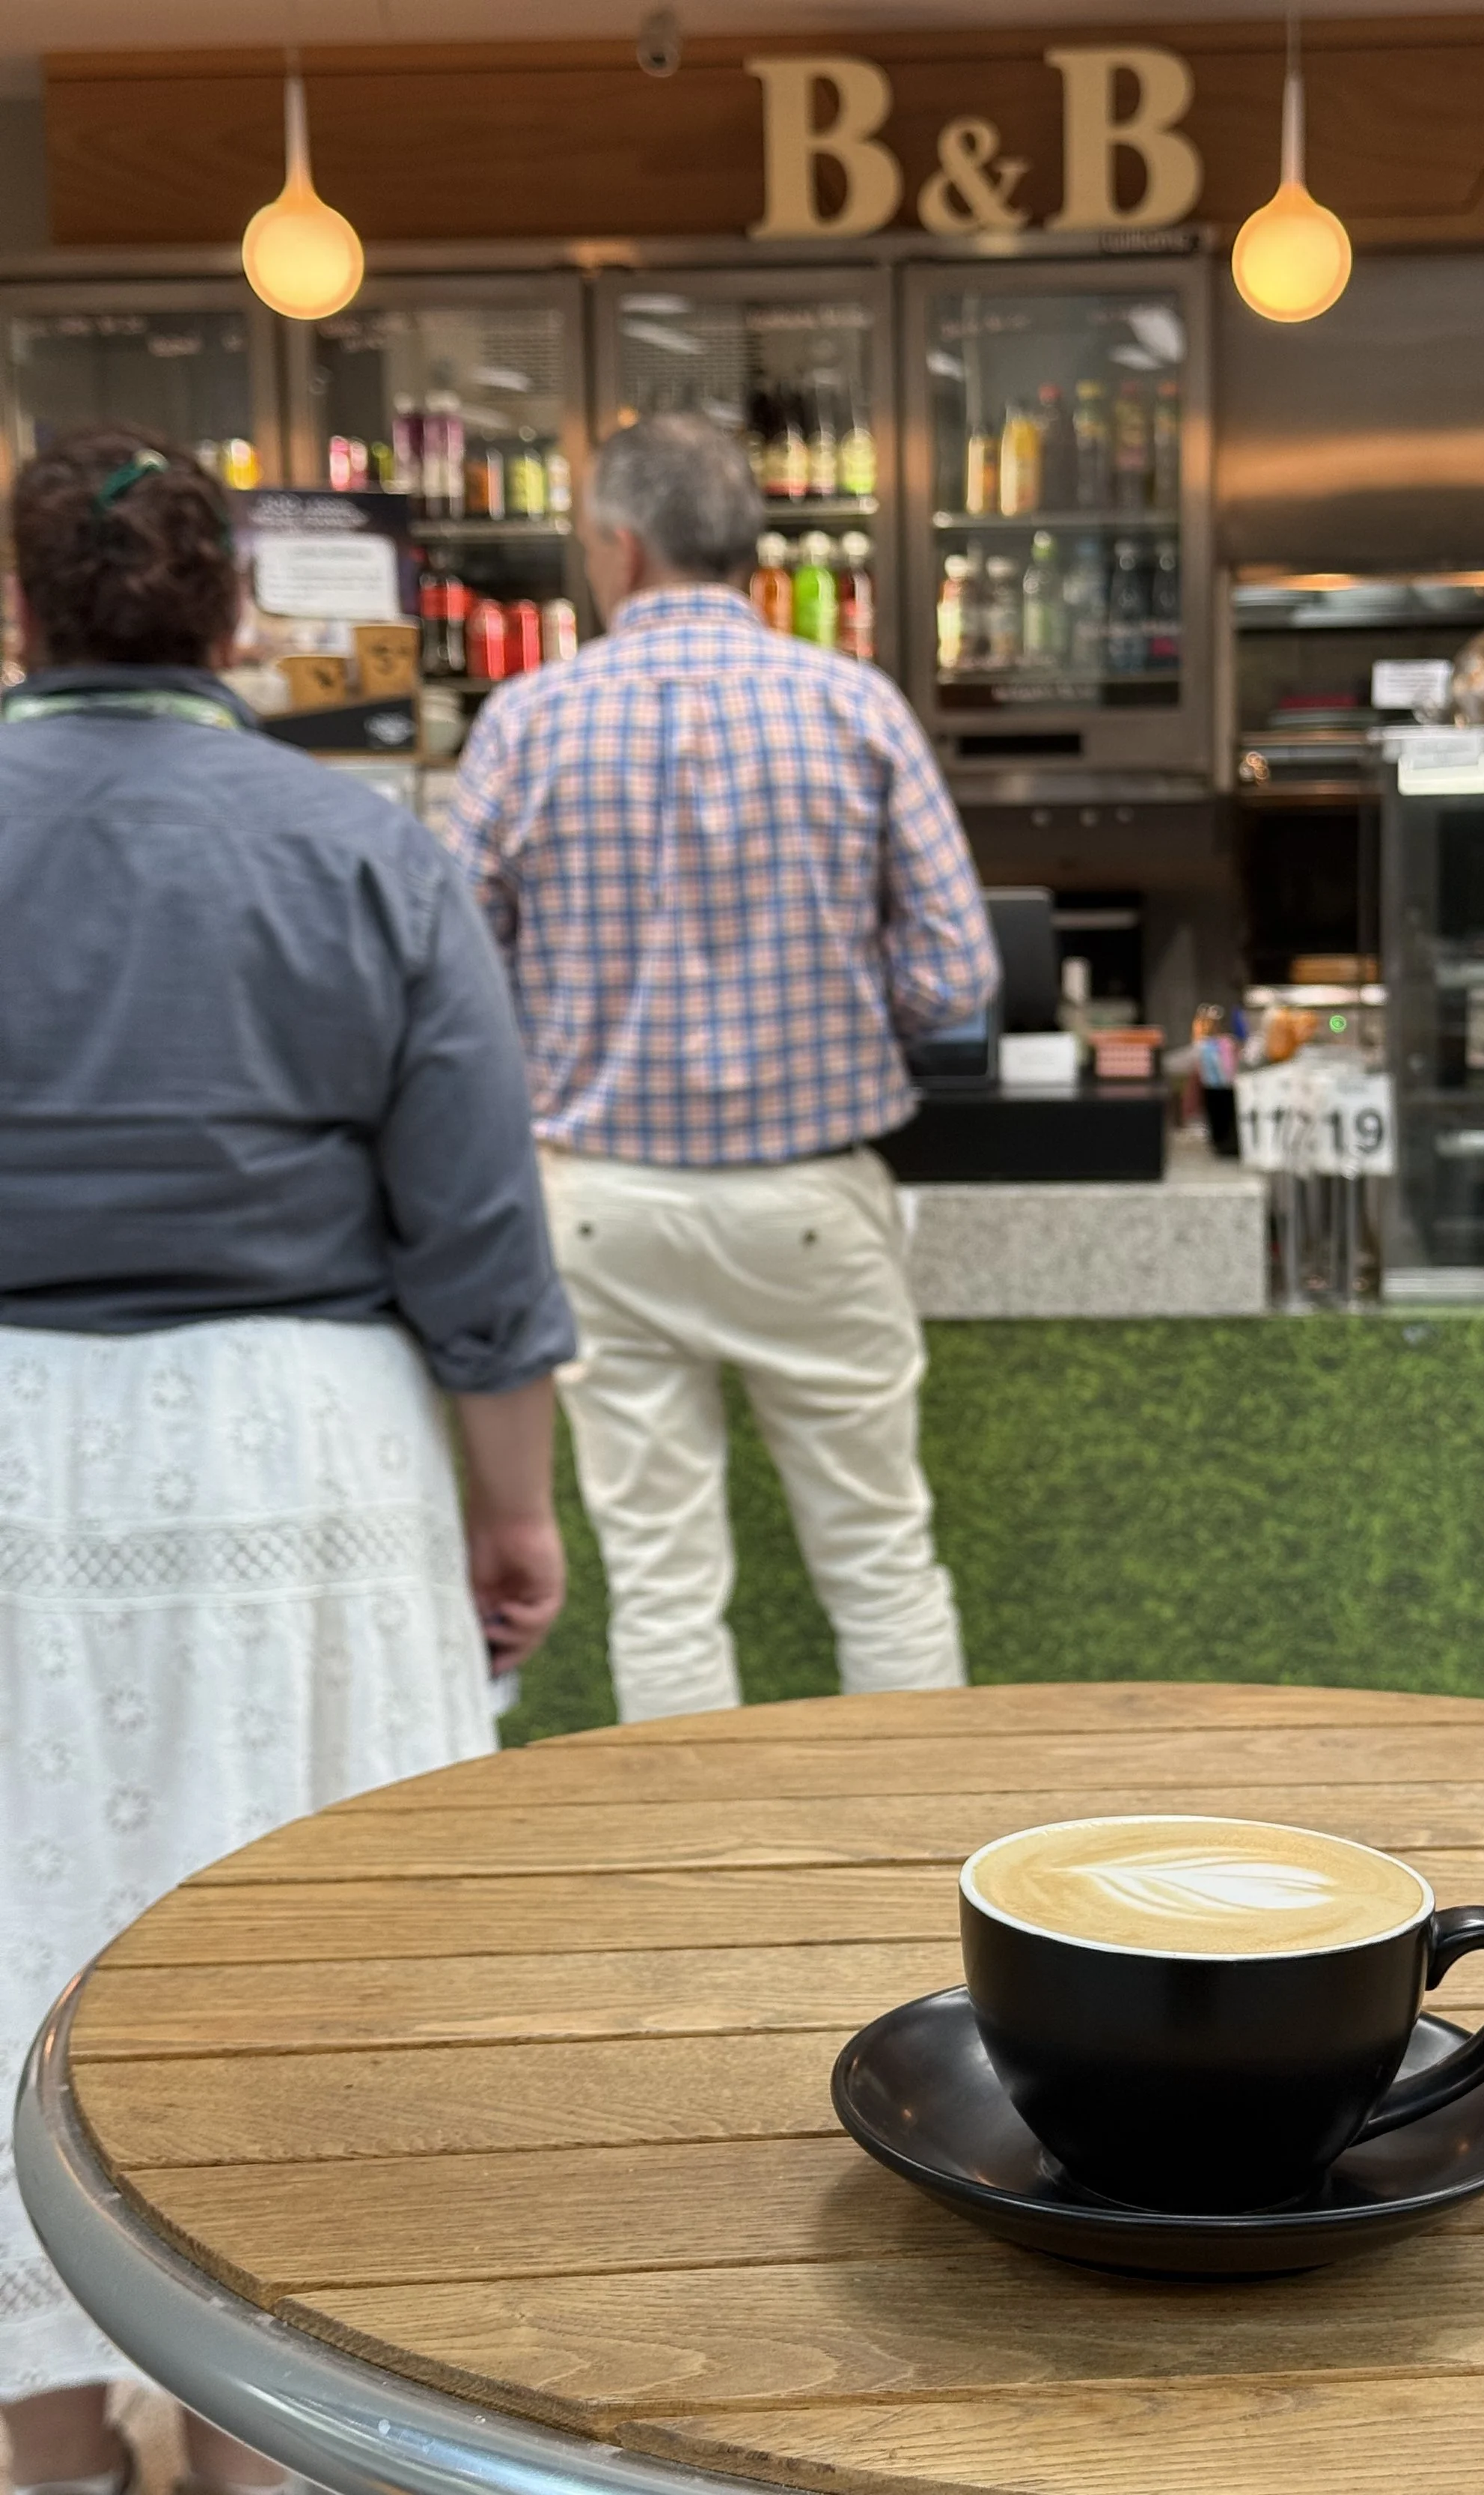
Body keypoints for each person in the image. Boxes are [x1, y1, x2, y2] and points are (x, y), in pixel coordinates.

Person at [0, 429, 575, 2491]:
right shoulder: (361, 850)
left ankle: (47, 2443)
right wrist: (509, 1508)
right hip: (296, 1470)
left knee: (11, 1930)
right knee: (283, 1969)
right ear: (236, 615)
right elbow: (475, 1230)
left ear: (18, 605)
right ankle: (263, 2433)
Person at [446, 412, 999, 1722]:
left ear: (621, 550)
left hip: (600, 1206)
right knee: (879, 1566)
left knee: (663, 1588)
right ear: (745, 553)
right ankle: (929, 1868)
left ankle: (692, 1890)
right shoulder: (855, 706)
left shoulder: (526, 722)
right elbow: (960, 974)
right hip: (811, 1202)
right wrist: (852, 1005)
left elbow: (452, 991)